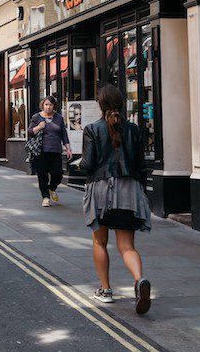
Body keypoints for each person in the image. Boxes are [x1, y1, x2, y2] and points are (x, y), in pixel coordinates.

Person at [81, 84, 152, 314]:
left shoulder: (92, 129)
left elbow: (88, 164)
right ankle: (139, 281)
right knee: (127, 245)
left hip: (101, 189)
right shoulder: (133, 130)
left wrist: (78, 165)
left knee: (100, 241)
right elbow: (141, 166)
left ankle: (105, 290)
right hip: (128, 189)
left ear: (100, 105)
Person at [28, 95, 73, 207]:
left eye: (50, 105)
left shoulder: (58, 118)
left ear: (54, 106)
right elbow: (30, 132)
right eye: (46, 104)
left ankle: (51, 188)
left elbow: (63, 134)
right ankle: (46, 197)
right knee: (42, 175)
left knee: (58, 174)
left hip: (56, 150)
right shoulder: (36, 117)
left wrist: (68, 149)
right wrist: (38, 127)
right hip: (41, 151)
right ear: (43, 105)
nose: (48, 107)